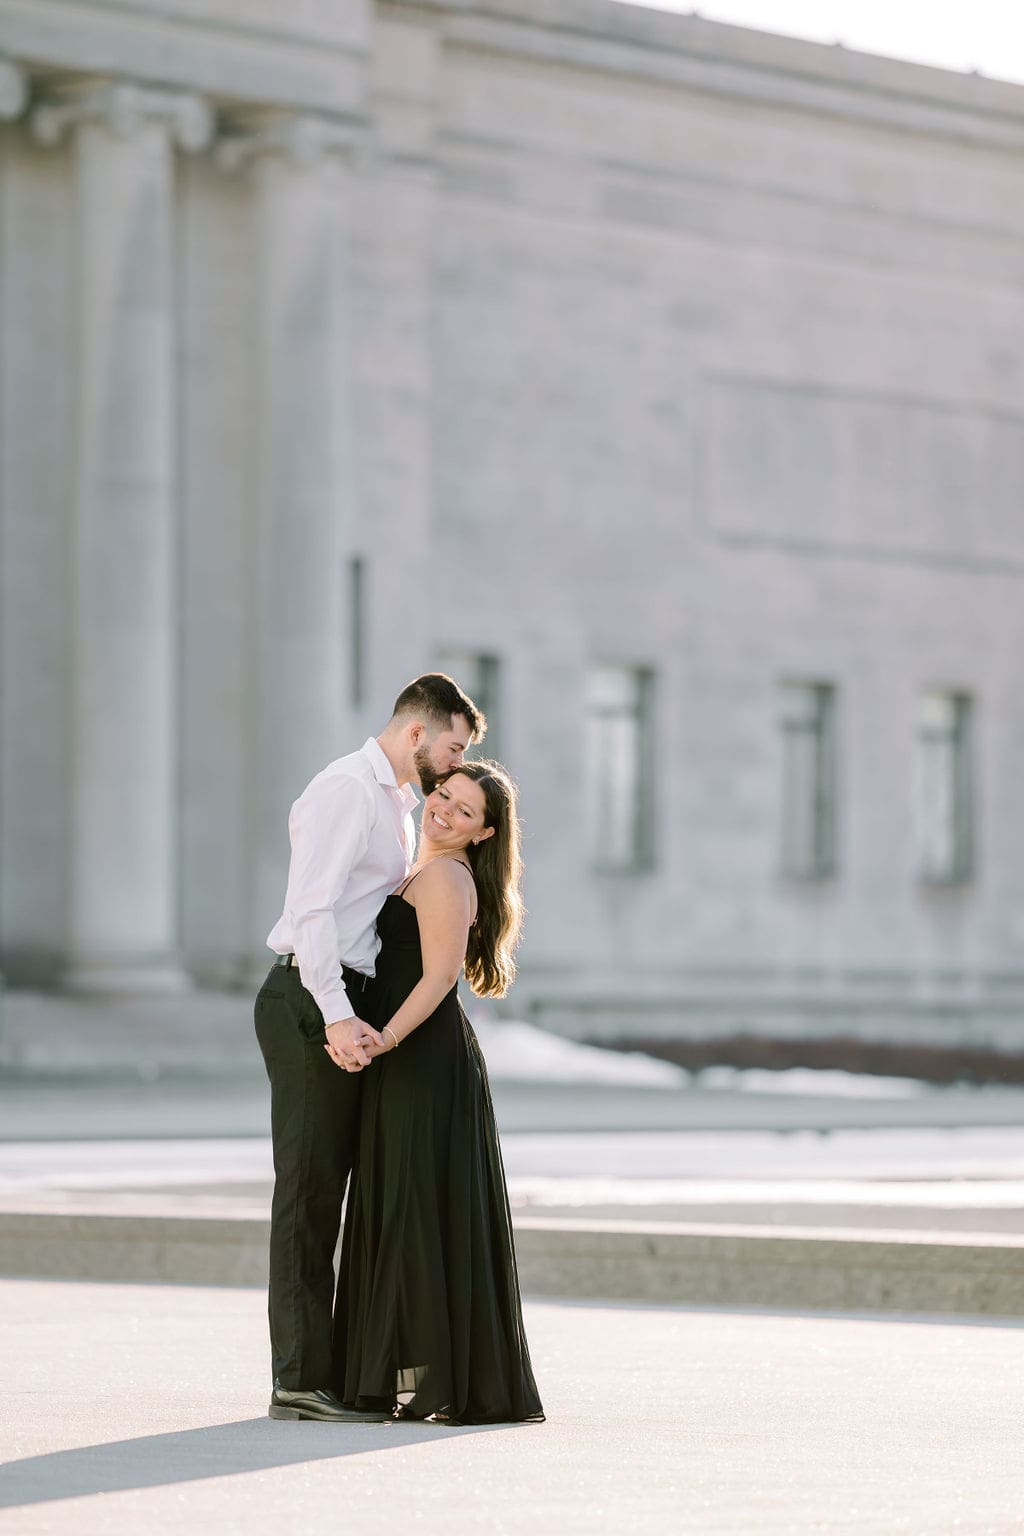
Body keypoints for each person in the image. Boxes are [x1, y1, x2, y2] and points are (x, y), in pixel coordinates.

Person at [255, 674, 486, 1423]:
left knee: (333, 1192)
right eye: (453, 747)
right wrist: (333, 1015)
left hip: (341, 1007)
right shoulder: (345, 790)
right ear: (418, 733)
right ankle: (297, 1380)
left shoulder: (399, 804)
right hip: (308, 1001)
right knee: (309, 1192)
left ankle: (331, 1373)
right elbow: (313, 911)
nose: (453, 766)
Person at [332, 760, 545, 1425]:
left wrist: (385, 1039)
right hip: (406, 1058)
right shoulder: (421, 865)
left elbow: (438, 977)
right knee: (402, 1204)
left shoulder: (449, 877)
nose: (445, 811)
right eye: (444, 796)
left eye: (464, 811)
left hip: (423, 1059)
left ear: (484, 834)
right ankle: (396, 1374)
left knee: (413, 1210)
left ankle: (421, 1380)